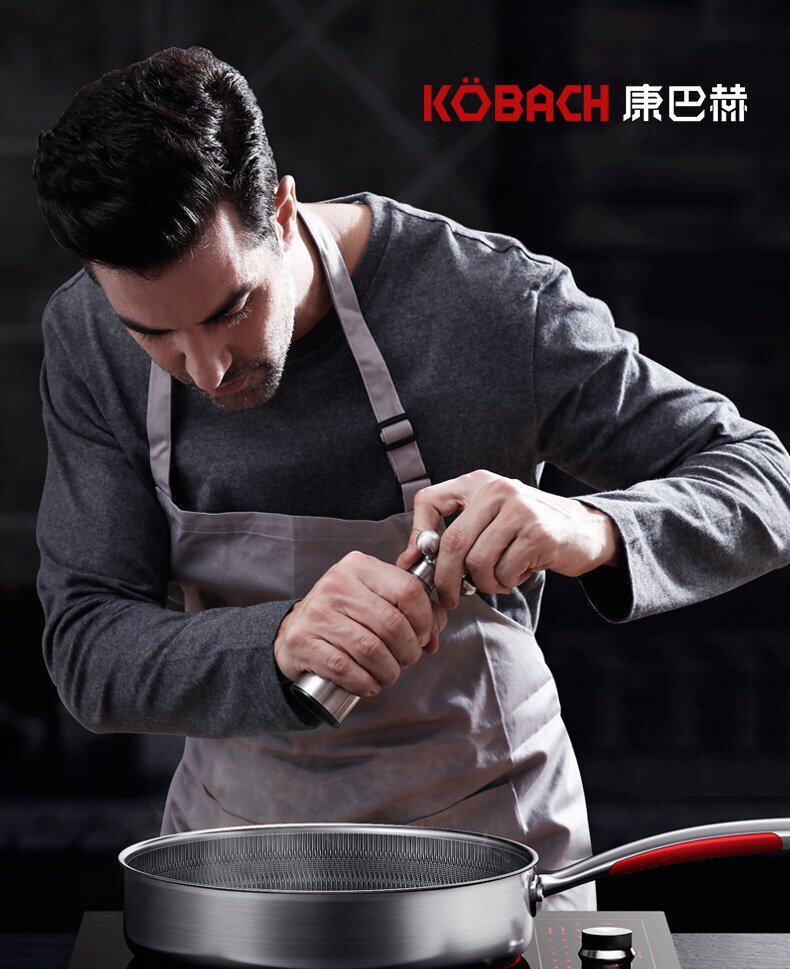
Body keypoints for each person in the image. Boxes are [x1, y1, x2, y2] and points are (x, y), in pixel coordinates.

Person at [31, 47, 790, 909]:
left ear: (281, 210)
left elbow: (766, 482)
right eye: (152, 336)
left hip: (494, 849)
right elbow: (87, 648)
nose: (205, 369)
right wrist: (274, 647)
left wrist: (589, 528)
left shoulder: (490, 304)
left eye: (231, 308)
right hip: (235, 863)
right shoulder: (87, 336)